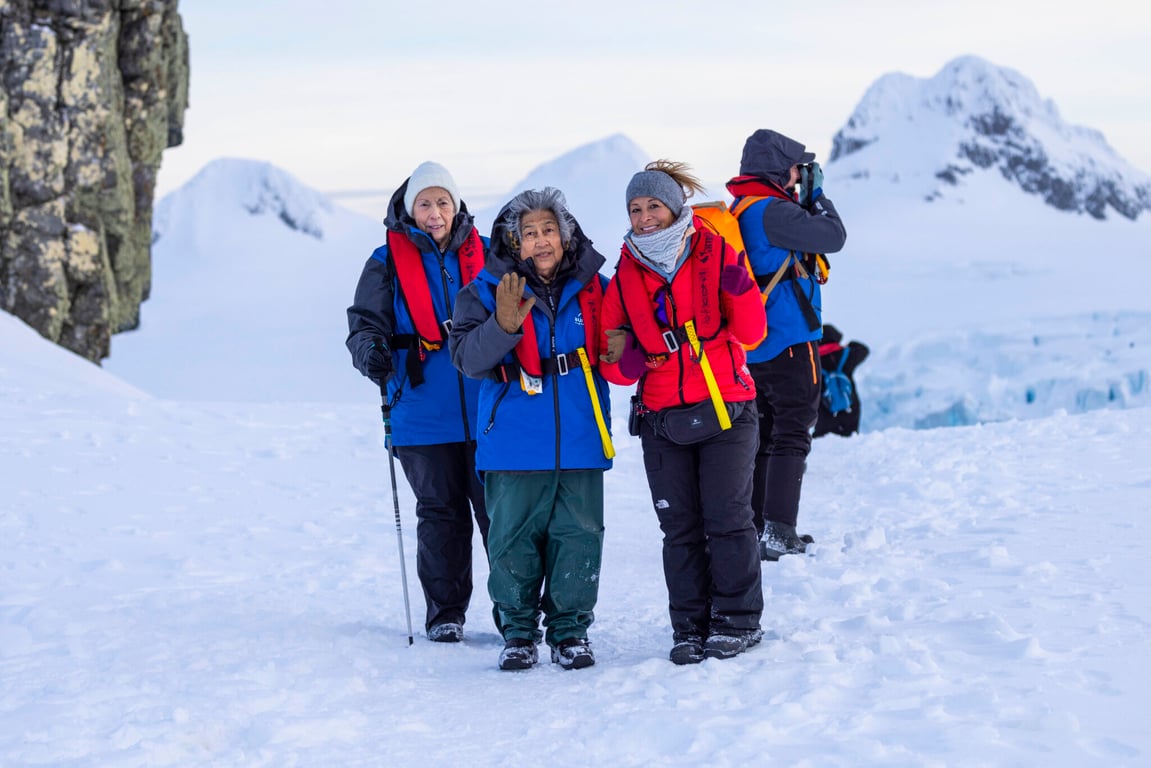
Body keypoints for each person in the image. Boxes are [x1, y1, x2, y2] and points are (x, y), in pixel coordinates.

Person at [599, 161, 765, 665]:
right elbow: (616, 370)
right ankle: (688, 627)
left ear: (675, 208)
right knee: (681, 528)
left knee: (729, 519)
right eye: (635, 208)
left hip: (727, 409)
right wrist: (629, 354)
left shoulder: (718, 254)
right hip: (661, 420)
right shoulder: (623, 275)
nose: (645, 217)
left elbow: (753, 335)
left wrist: (740, 288)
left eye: (653, 206)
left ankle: (737, 622)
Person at [449, 187, 613, 672]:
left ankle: (570, 632)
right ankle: (518, 633)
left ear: (565, 236)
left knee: (579, 537)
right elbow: (467, 361)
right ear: (512, 243)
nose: (541, 242)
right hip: (512, 440)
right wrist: (501, 325)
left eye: (549, 231)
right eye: (529, 234)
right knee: (512, 542)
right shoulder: (482, 291)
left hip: (581, 436)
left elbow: (620, 354)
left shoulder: (596, 287)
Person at [346, 161, 490, 643]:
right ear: (410, 209)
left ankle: (518, 614)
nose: (434, 213)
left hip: (489, 408)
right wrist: (370, 351)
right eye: (424, 203)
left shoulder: (489, 254)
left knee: (503, 517)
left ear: (457, 206)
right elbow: (364, 324)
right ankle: (445, 614)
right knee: (440, 515)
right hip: (421, 412)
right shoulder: (385, 261)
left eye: (442, 202)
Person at [728, 130, 848, 561]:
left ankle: (760, 526)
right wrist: (817, 196)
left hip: (753, 344)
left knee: (761, 436)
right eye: (797, 168)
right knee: (792, 432)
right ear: (780, 169)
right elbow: (833, 236)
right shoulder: (773, 211)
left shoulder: (741, 208)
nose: (800, 174)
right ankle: (779, 531)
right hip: (790, 342)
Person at [814, 323, 869, 438]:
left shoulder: (813, 362)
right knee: (850, 439)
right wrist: (849, 345)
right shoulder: (847, 355)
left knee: (822, 440)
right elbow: (864, 350)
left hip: (824, 412)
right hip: (850, 408)